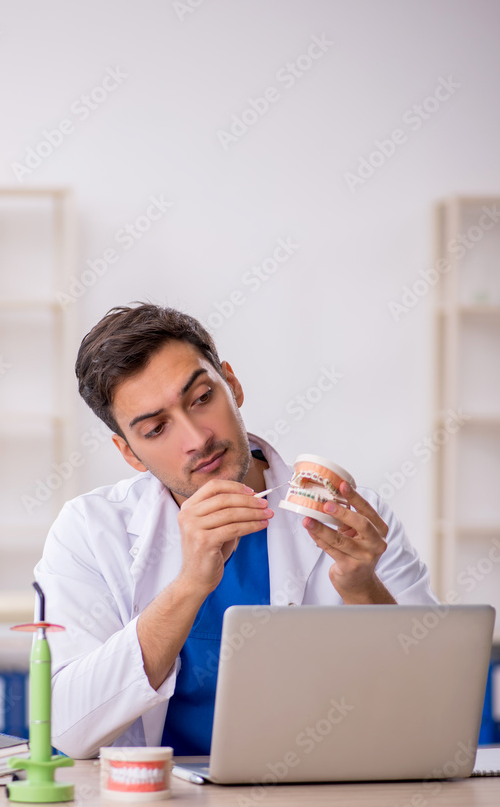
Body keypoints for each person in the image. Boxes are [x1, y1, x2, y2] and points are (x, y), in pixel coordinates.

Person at [35, 304, 437, 758]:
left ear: (233, 383)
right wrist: (189, 586)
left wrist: (364, 589)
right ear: (129, 453)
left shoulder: (351, 520)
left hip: (316, 801)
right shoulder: (89, 531)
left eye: (202, 397)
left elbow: (434, 706)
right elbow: (68, 728)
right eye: (156, 428)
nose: (196, 439)